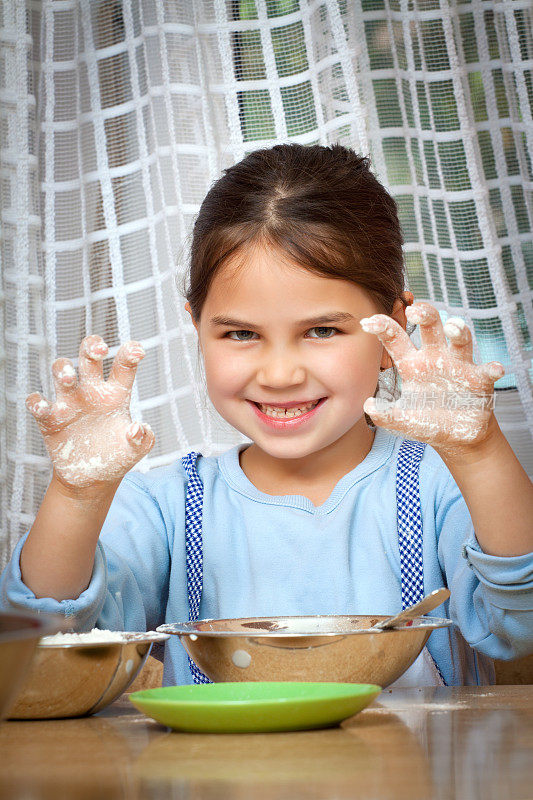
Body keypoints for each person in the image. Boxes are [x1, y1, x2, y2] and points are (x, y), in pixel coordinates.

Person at [1, 143, 532, 688]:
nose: (279, 374)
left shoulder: (441, 487)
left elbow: (522, 625)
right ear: (197, 325)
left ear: (391, 326)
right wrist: (76, 495)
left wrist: (480, 451)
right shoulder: (164, 506)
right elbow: (43, 644)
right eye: (240, 334)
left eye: (322, 330)